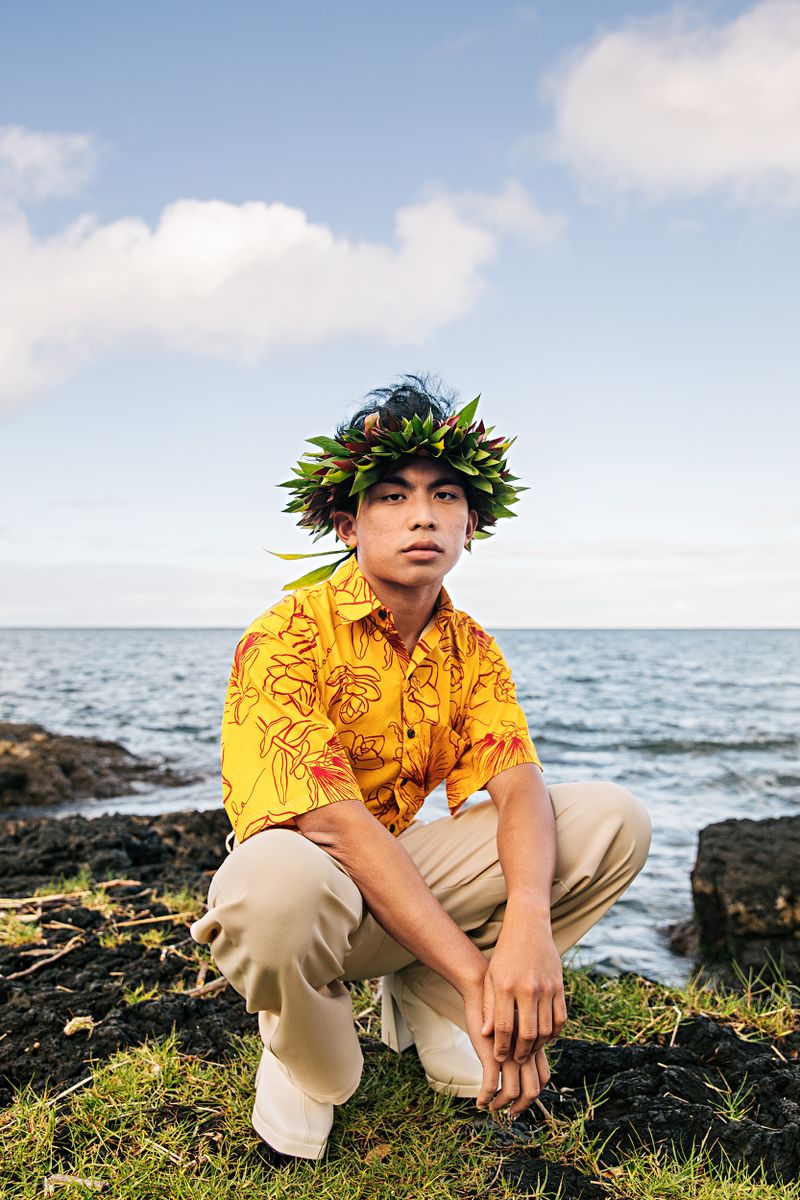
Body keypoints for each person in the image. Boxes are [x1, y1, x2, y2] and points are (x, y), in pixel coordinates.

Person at [191, 376, 651, 1161]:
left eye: (444, 495)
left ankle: (425, 993)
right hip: (314, 898)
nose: (422, 515)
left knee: (612, 820)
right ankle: (311, 1051)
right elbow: (332, 824)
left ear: (472, 522)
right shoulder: (285, 634)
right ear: (347, 523)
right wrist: (484, 978)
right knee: (269, 880)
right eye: (393, 496)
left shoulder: (470, 646)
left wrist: (530, 932)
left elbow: (518, 787)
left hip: (399, 882)